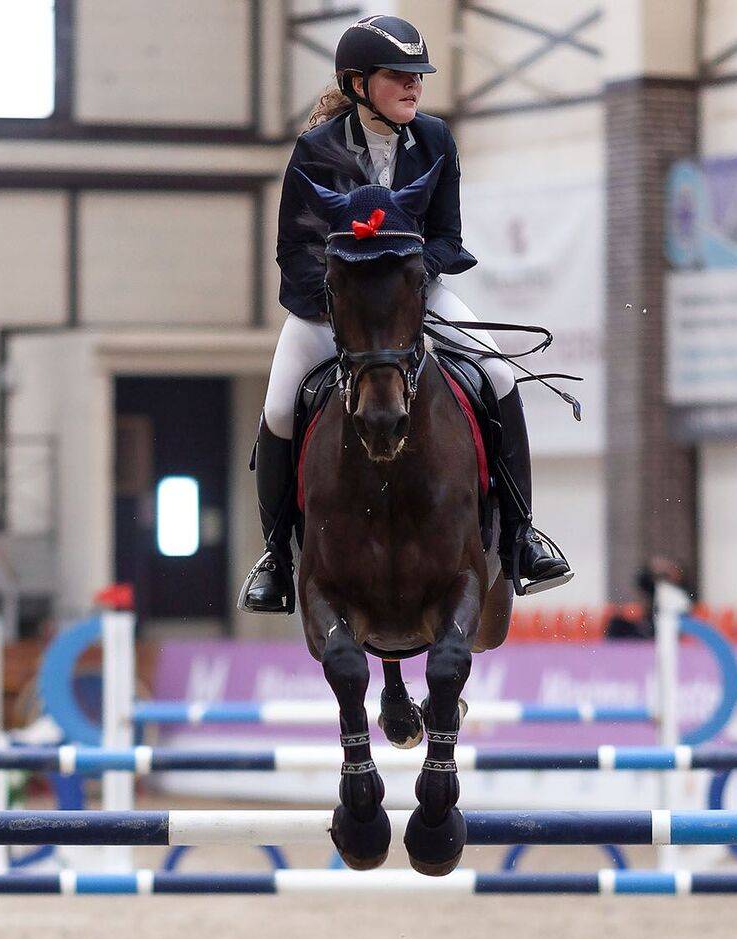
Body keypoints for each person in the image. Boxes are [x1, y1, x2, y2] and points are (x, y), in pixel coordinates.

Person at [239, 14, 571, 613]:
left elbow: (447, 234)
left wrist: (409, 280)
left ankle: (523, 535)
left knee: (498, 375)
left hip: (414, 296)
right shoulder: (316, 150)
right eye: (400, 77)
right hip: (333, 307)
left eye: (419, 76)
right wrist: (346, 305)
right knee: (279, 406)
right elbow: (294, 248)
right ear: (359, 83)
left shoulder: (436, 140)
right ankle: (277, 560)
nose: (415, 87)